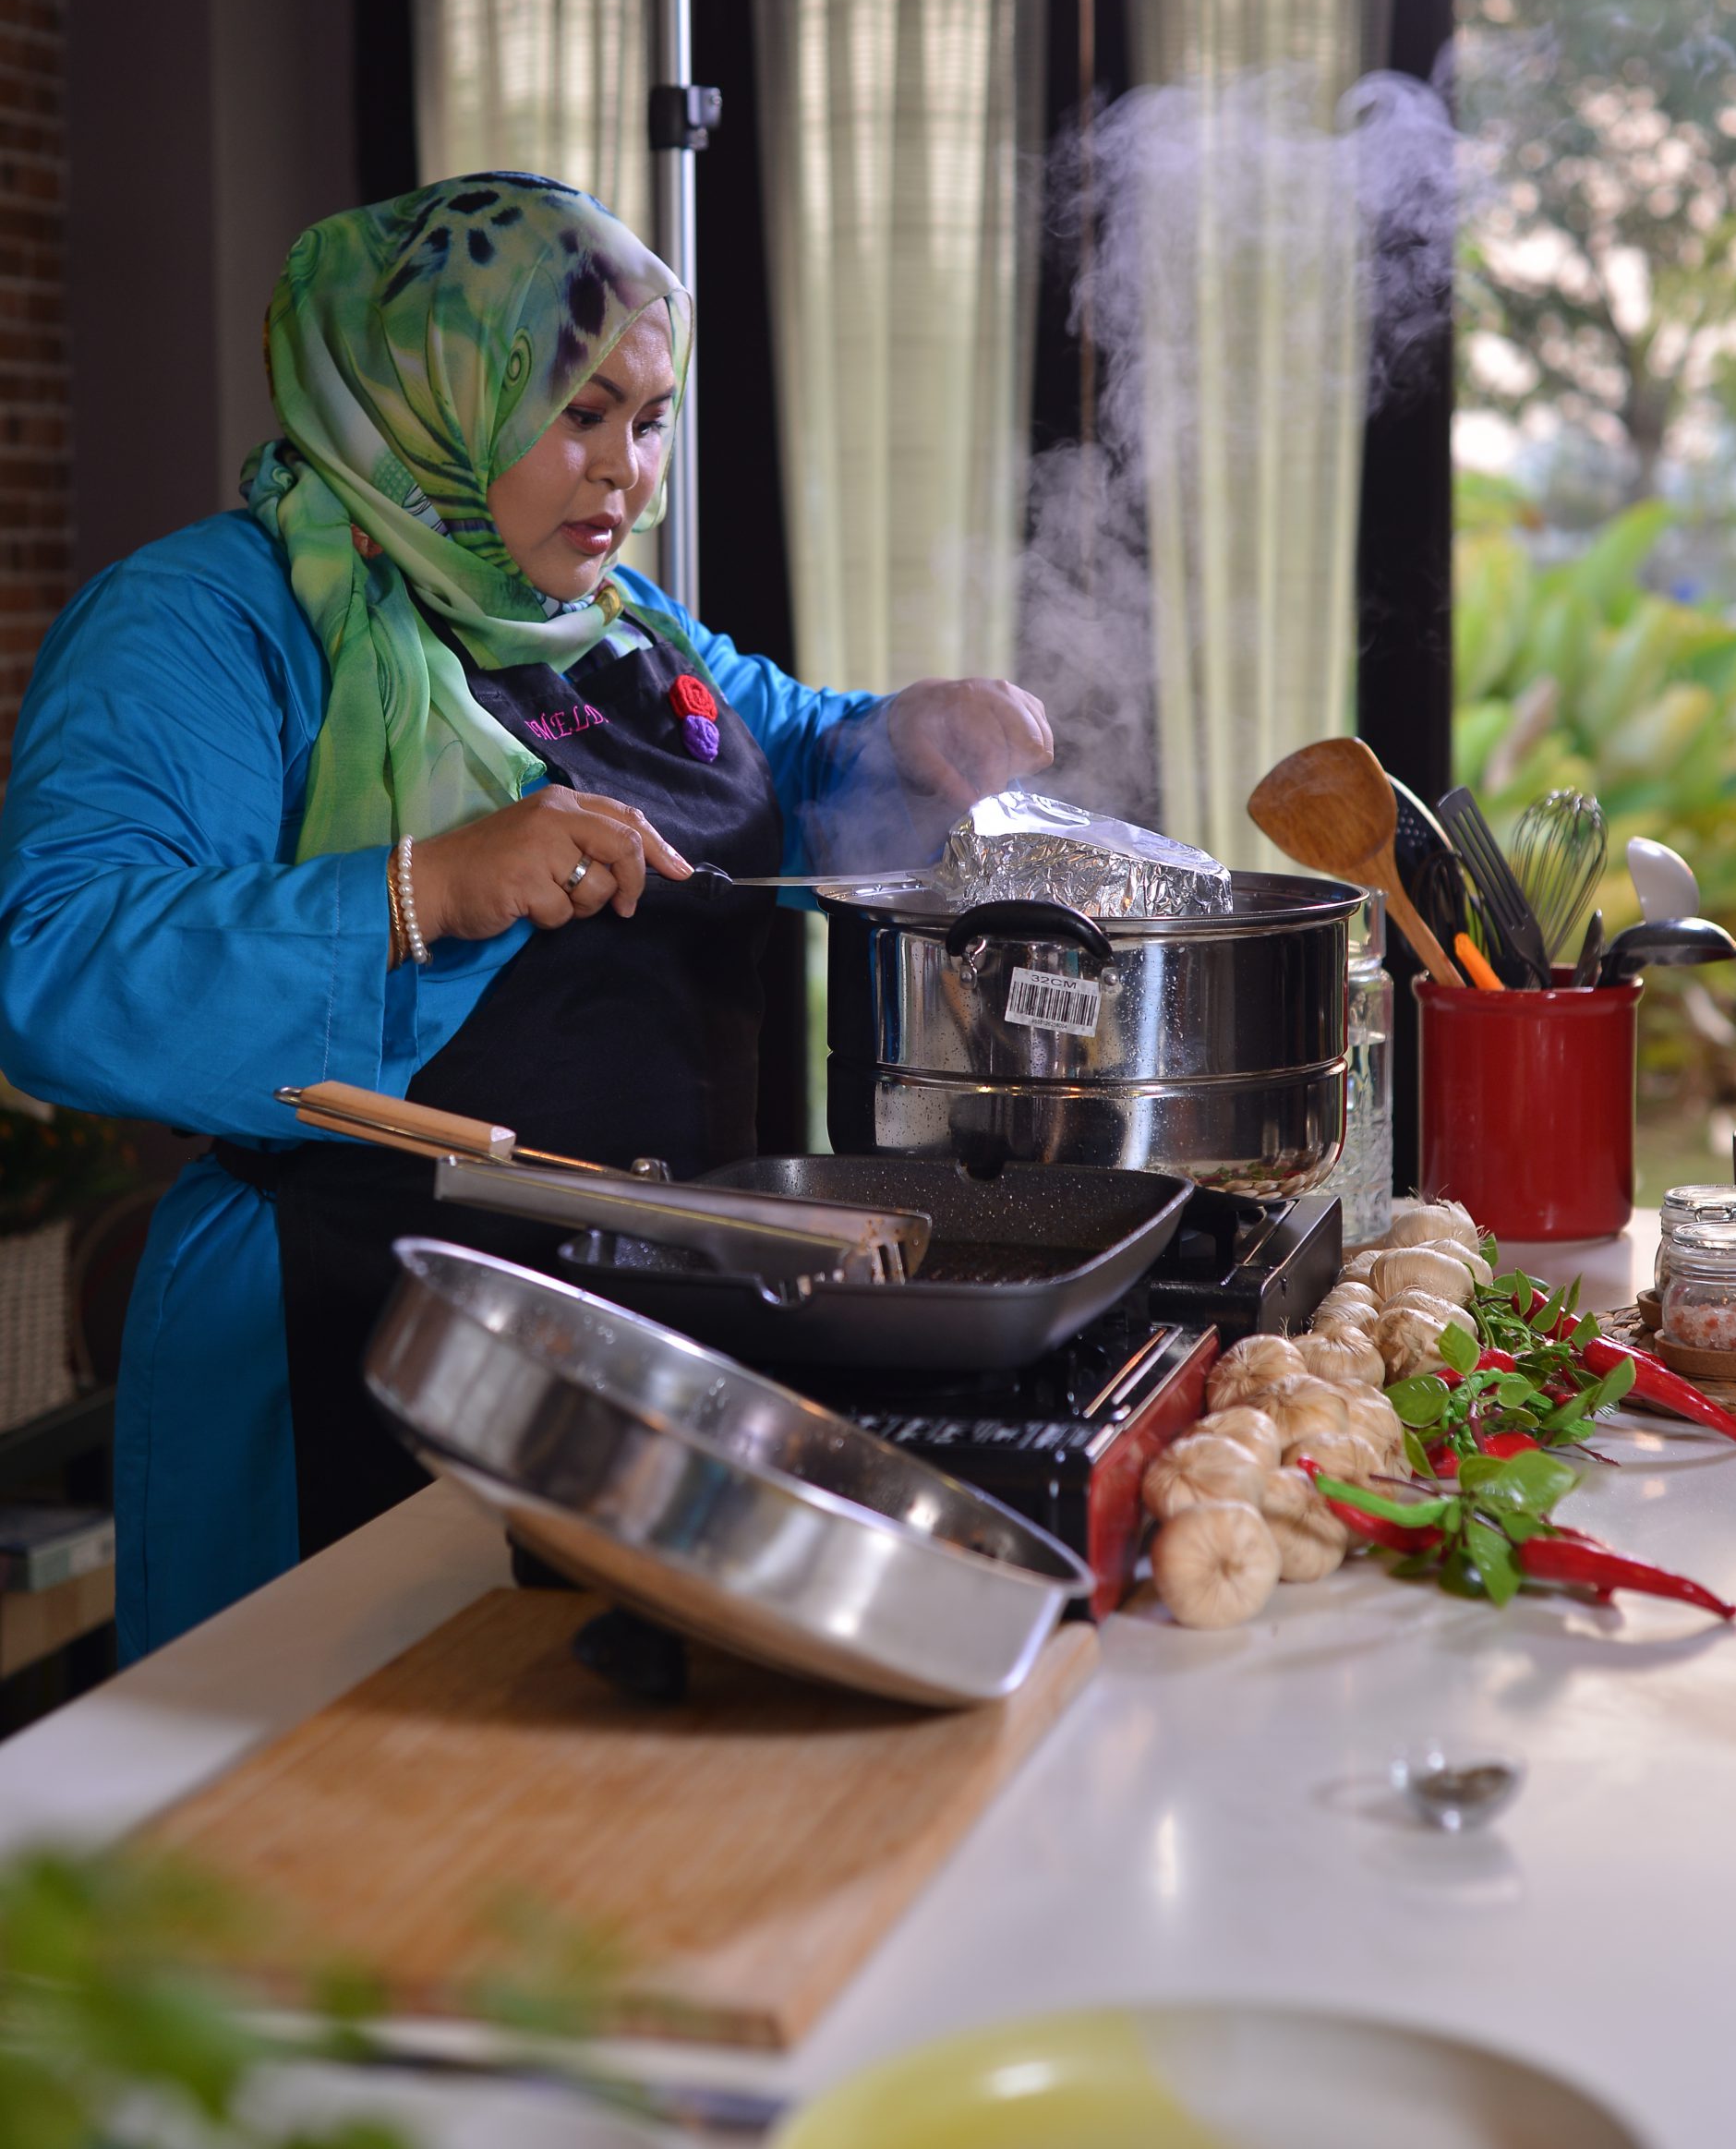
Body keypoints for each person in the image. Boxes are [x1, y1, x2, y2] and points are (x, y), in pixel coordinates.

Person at [0, 175, 1052, 1659]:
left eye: (651, 415)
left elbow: (801, 754)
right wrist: (424, 886)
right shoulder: (208, 619)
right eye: (577, 413)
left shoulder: (619, 625)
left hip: (663, 1362)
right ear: (436, 386)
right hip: (352, 1346)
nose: (625, 471)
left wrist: (916, 734)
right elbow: (52, 965)